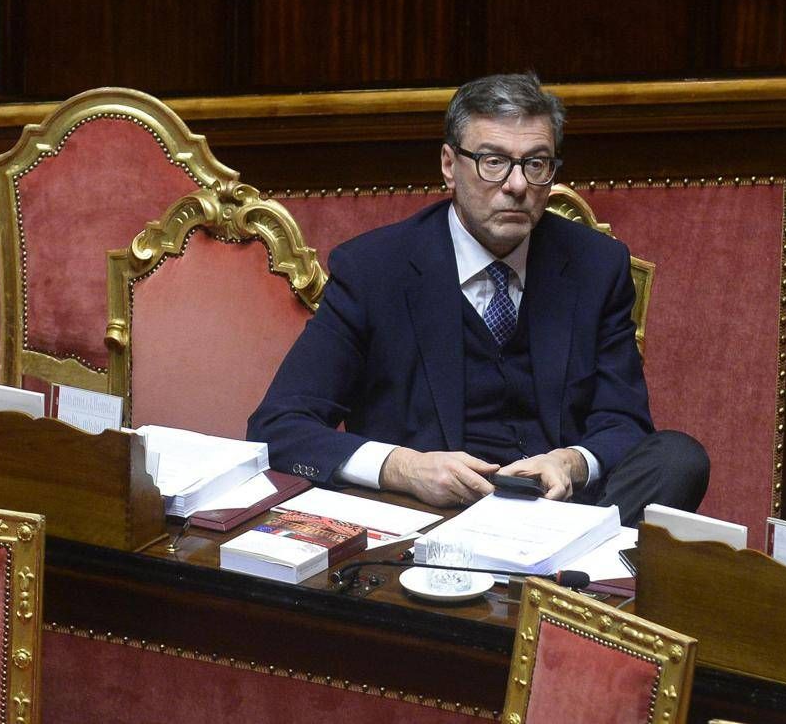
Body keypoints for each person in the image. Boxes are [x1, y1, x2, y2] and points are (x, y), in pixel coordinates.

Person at [247, 73, 708, 526]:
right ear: (450, 165)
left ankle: (562, 566)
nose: (517, 185)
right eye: (493, 161)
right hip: (428, 515)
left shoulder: (595, 266)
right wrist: (406, 468)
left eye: (536, 163)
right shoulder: (375, 270)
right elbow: (279, 427)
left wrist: (569, 462)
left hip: (563, 513)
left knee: (678, 459)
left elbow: (624, 423)